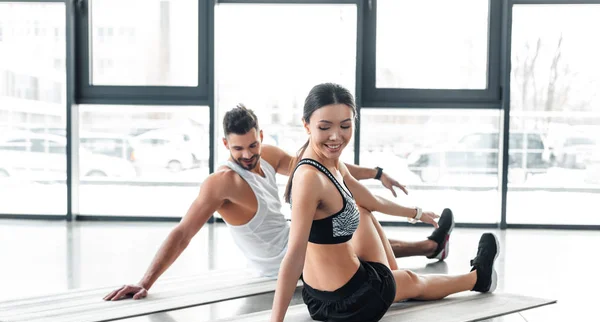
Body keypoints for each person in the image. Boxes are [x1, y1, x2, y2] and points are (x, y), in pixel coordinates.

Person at [228, 83, 499, 322]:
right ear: (307, 125)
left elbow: (371, 200)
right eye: (325, 127)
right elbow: (294, 255)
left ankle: (401, 276)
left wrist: (415, 213)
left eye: (345, 126)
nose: (336, 136)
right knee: (414, 281)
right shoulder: (309, 178)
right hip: (353, 301)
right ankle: (479, 278)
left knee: (363, 210)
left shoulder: (329, 162)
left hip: (319, 296)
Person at [103, 105, 455, 301]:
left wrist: (376, 173)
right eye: (238, 149)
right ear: (226, 145)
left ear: (261, 138)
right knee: (344, 230)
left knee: (348, 218)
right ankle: (426, 250)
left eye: (252, 146)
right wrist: (145, 282)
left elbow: (325, 168)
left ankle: (427, 248)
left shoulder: (268, 157)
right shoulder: (220, 184)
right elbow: (183, 233)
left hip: (294, 241)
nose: (247, 155)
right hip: (278, 263)